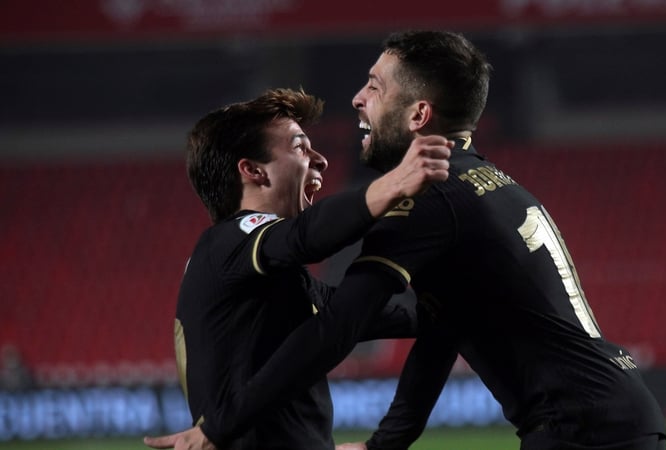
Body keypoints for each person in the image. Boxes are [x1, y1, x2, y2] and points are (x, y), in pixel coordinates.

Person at [145, 31, 666, 450]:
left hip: (578, 427)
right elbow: (435, 322)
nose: (357, 99)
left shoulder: (428, 202)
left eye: (374, 86)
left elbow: (342, 324)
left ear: (418, 115)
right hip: (604, 413)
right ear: (251, 171)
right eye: (302, 147)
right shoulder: (484, 185)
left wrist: (219, 426)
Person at [152, 87, 451, 450]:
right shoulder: (227, 241)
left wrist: (453, 302)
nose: (321, 160)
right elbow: (307, 238)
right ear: (253, 171)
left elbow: (368, 314)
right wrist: (393, 184)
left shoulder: (278, 282)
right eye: (299, 147)